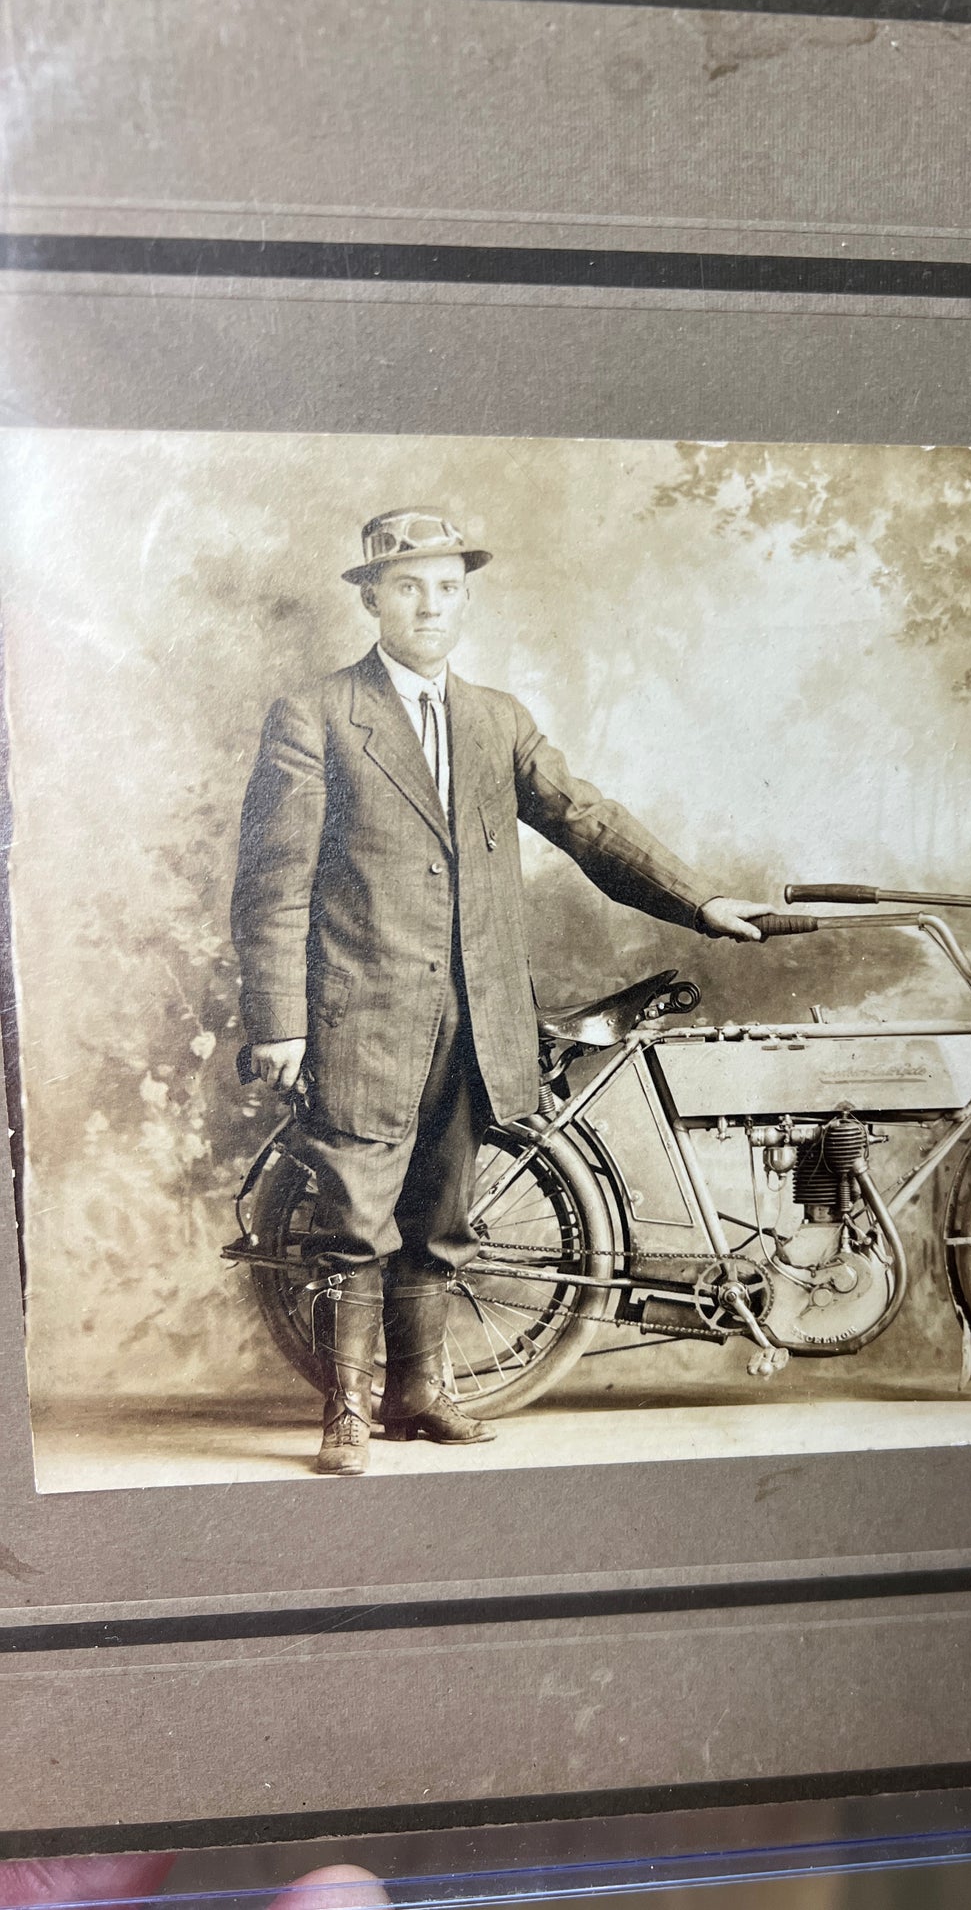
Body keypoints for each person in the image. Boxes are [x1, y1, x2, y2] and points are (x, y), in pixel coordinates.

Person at [231, 509, 772, 1476]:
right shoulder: (315, 714)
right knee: (355, 1218)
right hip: (362, 1015)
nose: (430, 604)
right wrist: (278, 1022)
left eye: (447, 587)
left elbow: (586, 821)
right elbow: (272, 883)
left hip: (480, 1015)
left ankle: (419, 1394)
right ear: (371, 598)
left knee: (443, 1216)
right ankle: (347, 1410)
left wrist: (699, 898)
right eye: (408, 586)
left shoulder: (497, 719)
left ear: (466, 600)